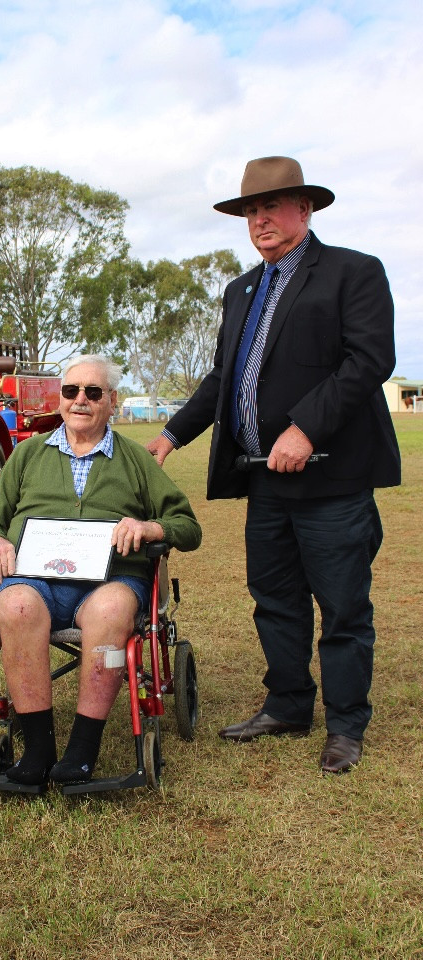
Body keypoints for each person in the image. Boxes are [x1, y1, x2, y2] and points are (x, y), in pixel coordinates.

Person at [147, 156, 400, 774]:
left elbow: (368, 361)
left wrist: (306, 427)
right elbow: (224, 379)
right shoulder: (241, 291)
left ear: (305, 209)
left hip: (333, 479)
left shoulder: (353, 272)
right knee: (275, 598)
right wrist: (172, 435)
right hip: (263, 479)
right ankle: (287, 703)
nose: (259, 219)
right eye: (249, 210)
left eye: (272, 206)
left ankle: (345, 726)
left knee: (342, 606)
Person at [0, 354, 202, 786]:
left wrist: (149, 525)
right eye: (71, 391)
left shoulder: (135, 461)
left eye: (92, 392)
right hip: (37, 578)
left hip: (111, 580)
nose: (80, 400)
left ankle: (81, 752)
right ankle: (38, 753)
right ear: (60, 399)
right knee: (15, 605)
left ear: (111, 401)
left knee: (111, 611)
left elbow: (187, 526)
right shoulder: (27, 455)